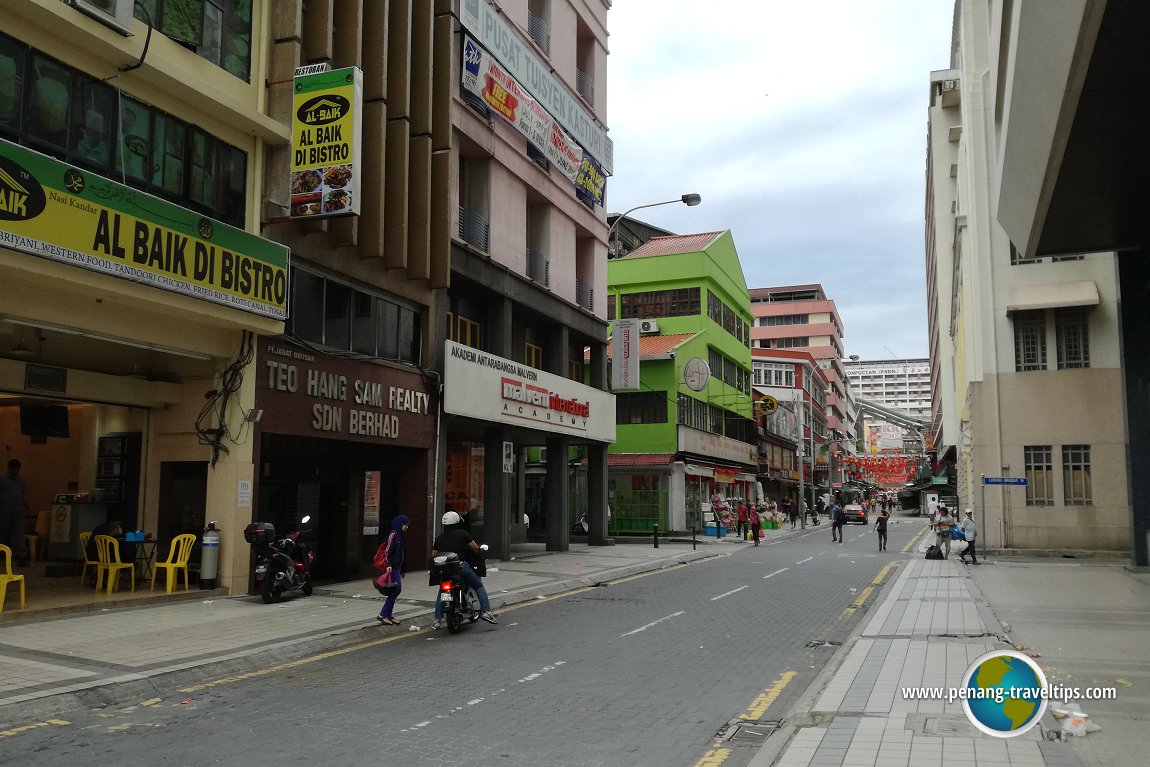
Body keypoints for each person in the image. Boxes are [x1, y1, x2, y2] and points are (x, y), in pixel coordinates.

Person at [431, 510, 496, 628]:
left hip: (445, 571)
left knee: (442, 592)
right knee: (478, 586)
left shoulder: (439, 538)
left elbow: (434, 555)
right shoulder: (463, 534)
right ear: (457, 522)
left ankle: (437, 620)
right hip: (460, 567)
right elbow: (475, 548)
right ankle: (486, 612)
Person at [374, 514, 409, 625]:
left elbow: (402, 554)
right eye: (406, 525)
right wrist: (389, 564)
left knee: (395, 590)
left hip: (397, 567)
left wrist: (402, 569)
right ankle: (383, 614)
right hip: (392, 567)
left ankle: (388, 614)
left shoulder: (400, 536)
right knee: (396, 590)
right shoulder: (393, 535)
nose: (407, 527)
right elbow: (388, 550)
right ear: (401, 524)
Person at [0, 458, 31, 566]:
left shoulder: (21, 481)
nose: (15, 472)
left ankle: (21, 557)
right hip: (4, 511)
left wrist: (25, 505)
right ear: (9, 469)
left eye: (17, 469)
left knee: (19, 534)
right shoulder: (2, 480)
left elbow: (22, 495)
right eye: (13, 469)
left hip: (18, 511)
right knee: (2, 533)